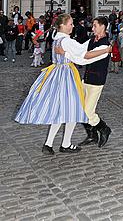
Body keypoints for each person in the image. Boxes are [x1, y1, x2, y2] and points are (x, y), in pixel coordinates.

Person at [15, 13, 112, 155]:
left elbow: (84, 47)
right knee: (71, 110)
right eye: (70, 24)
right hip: (66, 75)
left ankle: (49, 144)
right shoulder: (66, 41)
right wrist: (106, 49)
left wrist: (101, 46)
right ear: (63, 25)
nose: (72, 26)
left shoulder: (57, 38)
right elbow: (82, 54)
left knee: (61, 110)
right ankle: (65, 143)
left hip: (57, 73)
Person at [77, 16, 112, 148]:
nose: (92, 28)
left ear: (103, 27)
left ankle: (104, 128)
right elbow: (81, 49)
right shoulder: (92, 40)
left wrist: (107, 49)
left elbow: (87, 55)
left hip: (96, 81)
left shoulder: (105, 43)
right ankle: (92, 136)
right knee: (80, 109)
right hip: (86, 78)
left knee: (87, 111)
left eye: (95, 26)